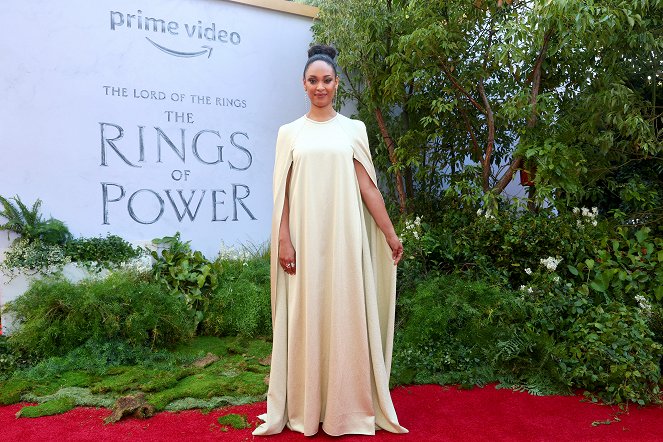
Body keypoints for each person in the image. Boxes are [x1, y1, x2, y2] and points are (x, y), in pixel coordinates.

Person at [253, 44, 408, 437]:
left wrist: (390, 233)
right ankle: (307, 406)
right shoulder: (289, 133)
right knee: (307, 314)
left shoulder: (354, 130)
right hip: (304, 242)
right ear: (302, 84)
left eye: (326, 80)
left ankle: (347, 409)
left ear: (336, 83)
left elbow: (367, 187)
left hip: (345, 241)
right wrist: (284, 240)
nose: (319, 86)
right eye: (312, 80)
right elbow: (282, 194)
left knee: (344, 314)